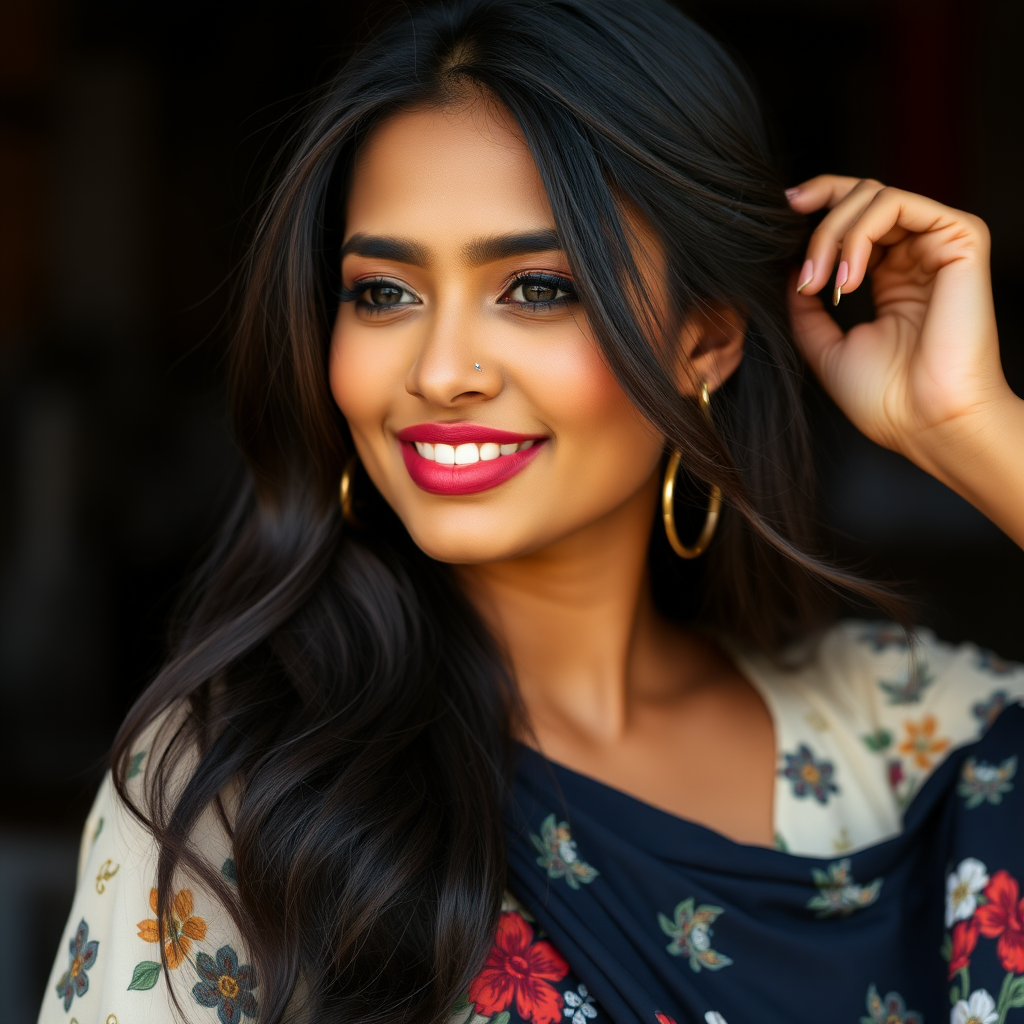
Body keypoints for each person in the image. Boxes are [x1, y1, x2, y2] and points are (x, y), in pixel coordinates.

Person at [37, 2, 1024, 1023]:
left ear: (704, 343)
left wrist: (977, 429)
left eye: (535, 288)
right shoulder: (232, 791)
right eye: (383, 294)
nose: (440, 371)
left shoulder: (904, 729)